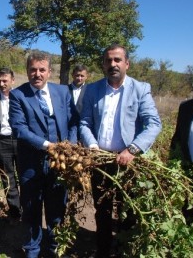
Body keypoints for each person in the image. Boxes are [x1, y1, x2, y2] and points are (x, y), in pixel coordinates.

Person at [79, 44, 162, 257]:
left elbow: (153, 123)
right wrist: (93, 146)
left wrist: (132, 150)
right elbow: (85, 123)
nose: (113, 64)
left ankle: (124, 250)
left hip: (129, 161)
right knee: (102, 209)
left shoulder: (140, 89)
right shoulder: (93, 89)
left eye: (117, 60)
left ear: (127, 63)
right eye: (108, 60)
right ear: (103, 64)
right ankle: (104, 250)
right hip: (101, 161)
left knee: (128, 211)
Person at [9, 51, 79, 258]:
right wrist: (49, 146)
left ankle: (54, 247)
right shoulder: (18, 95)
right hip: (31, 162)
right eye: (33, 70)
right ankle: (32, 249)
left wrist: (71, 147)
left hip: (61, 163)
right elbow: (19, 129)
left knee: (57, 207)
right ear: (27, 71)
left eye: (42, 70)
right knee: (31, 209)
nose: (37, 74)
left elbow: (74, 121)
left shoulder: (63, 92)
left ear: (50, 72)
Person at [170, 69, 193, 225]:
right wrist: (172, 164)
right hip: (189, 172)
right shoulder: (187, 107)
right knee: (189, 214)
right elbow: (177, 137)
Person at [0, 67, 21, 223]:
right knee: (7, 177)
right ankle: (15, 211)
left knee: (25, 176)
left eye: (5, 80)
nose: (2, 83)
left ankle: (28, 208)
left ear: (12, 80)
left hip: (19, 140)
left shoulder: (20, 97)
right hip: (2, 141)